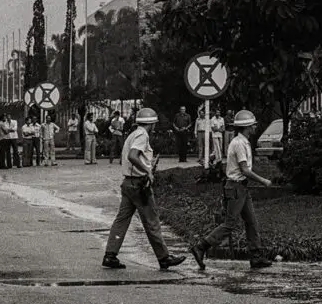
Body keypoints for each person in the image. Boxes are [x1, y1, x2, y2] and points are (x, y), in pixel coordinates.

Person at [102, 107, 186, 270]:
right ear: (151, 124)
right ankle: (163, 257)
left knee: (122, 220)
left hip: (128, 183)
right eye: (154, 123)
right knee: (151, 220)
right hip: (139, 184)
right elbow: (133, 156)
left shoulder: (133, 134)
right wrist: (147, 170)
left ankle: (110, 255)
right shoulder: (142, 135)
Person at [191, 109, 273, 270]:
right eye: (253, 125)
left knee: (251, 222)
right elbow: (245, 170)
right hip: (235, 187)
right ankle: (201, 246)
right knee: (230, 224)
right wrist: (263, 181)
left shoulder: (242, 142)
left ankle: (256, 256)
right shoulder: (239, 144)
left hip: (241, 187)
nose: (255, 127)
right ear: (247, 127)